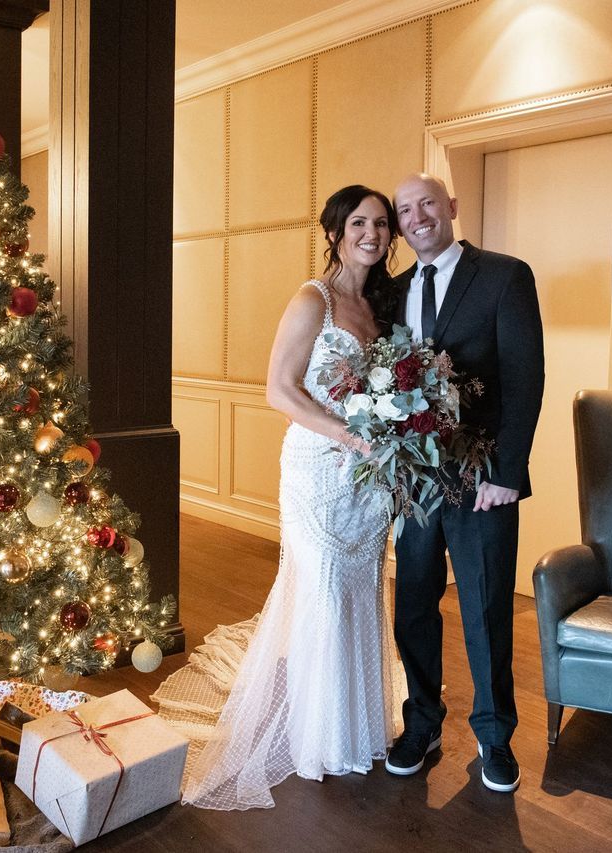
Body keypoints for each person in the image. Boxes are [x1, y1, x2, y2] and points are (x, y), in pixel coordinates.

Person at [153, 185, 406, 810]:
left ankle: (361, 723)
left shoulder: (383, 306)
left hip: (368, 479)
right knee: (322, 589)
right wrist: (348, 434)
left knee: (363, 590)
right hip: (320, 468)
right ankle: (319, 736)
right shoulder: (312, 299)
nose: (371, 234)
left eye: (381, 224)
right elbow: (279, 390)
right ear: (336, 231)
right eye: (358, 224)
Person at [385, 173, 544, 793]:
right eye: (405, 210)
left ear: (450, 207)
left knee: (485, 609)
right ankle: (422, 723)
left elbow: (525, 380)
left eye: (428, 203)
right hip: (417, 483)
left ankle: (495, 737)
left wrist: (507, 474)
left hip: (483, 481)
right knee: (414, 607)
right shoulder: (393, 292)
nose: (418, 216)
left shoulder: (505, 275)